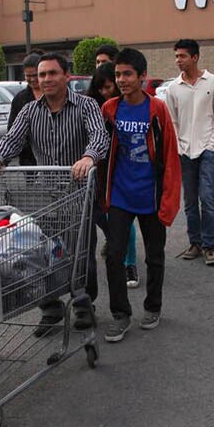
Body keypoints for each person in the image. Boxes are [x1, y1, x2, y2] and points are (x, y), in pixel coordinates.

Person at [0, 52, 108, 336]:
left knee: (79, 252)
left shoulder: (86, 106)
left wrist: (88, 157)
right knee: (39, 251)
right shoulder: (30, 110)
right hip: (43, 195)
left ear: (67, 76)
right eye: (42, 75)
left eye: (52, 73)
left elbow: (100, 136)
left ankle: (83, 305)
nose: (46, 79)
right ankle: (49, 307)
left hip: (78, 193)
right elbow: (12, 139)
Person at [100, 48, 181, 342]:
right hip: (120, 196)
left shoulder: (157, 110)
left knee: (154, 257)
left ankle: (153, 307)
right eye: (118, 74)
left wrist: (169, 200)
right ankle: (120, 315)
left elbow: (171, 157)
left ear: (142, 76)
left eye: (127, 74)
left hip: (151, 197)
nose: (121, 80)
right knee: (114, 256)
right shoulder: (109, 109)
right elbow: (101, 152)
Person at [164, 39, 214, 266]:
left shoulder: (212, 82)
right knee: (190, 200)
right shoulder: (173, 88)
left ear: (195, 57)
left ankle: (210, 246)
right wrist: (179, 147)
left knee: (207, 198)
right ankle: (195, 243)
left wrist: (213, 144)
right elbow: (171, 120)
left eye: (182, 56)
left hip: (207, 151)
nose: (178, 61)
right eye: (176, 57)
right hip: (184, 152)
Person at [87, 63, 140, 289]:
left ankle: (129, 263)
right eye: (100, 89)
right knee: (99, 215)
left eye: (108, 87)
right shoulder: (90, 107)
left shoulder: (123, 107)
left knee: (123, 219)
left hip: (120, 169)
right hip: (98, 169)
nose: (105, 92)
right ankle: (113, 243)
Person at [7, 52, 43, 166]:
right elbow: (12, 131)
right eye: (28, 76)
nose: (32, 79)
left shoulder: (54, 95)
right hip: (29, 160)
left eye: (35, 75)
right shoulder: (20, 99)